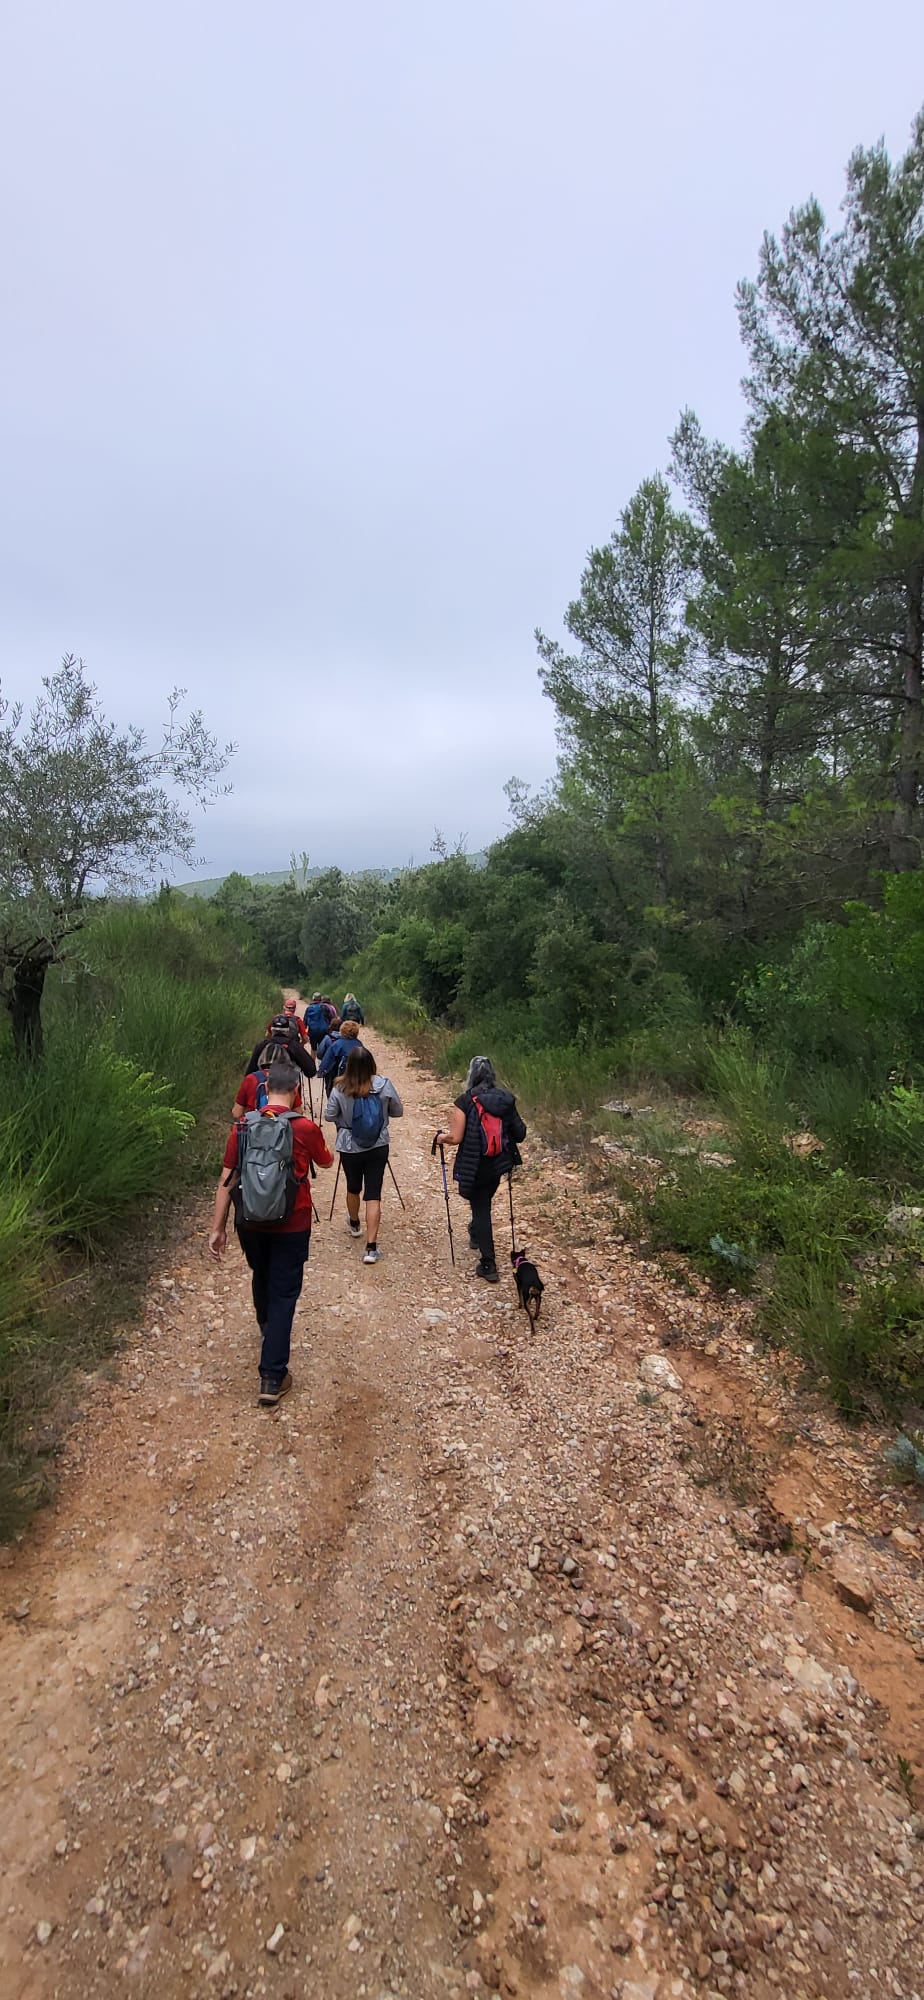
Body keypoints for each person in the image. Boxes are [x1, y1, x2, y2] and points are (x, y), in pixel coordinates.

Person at [209, 1060, 332, 1406]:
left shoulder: (242, 1128)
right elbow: (325, 1161)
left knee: (261, 1273)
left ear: (264, 1089)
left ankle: (266, 1326)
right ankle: (272, 1376)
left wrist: (217, 1228)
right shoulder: (304, 1127)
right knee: (284, 1293)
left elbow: (226, 1180)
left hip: (249, 1220)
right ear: (296, 1091)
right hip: (293, 1223)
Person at [434, 1056, 527, 1283]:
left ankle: (488, 1264)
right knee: (483, 1202)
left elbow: (456, 1137)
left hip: (474, 1164)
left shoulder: (465, 1100)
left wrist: (441, 1138)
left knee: (481, 1209)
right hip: (498, 1164)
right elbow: (520, 1134)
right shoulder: (505, 1099)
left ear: (471, 1075)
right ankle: (475, 1232)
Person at [325, 1045, 403, 1263]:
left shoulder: (340, 1087)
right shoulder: (383, 1085)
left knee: (353, 1187)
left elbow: (329, 1115)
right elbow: (398, 1111)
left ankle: (354, 1223)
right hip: (378, 1144)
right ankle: (371, 1247)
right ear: (371, 1064)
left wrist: (345, 1119)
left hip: (349, 1146)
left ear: (348, 1065)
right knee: (373, 1193)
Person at [246, 1015, 317, 1089]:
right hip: (289, 1090)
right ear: (287, 1031)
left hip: (264, 1088)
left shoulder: (261, 1046)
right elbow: (311, 1071)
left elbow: (250, 1072)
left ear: (272, 1030)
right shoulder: (294, 1046)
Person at [318, 1017, 364, 1090]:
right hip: (356, 1077)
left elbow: (327, 1060)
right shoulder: (359, 1044)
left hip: (338, 1078)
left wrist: (321, 1071)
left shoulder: (336, 1045)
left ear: (342, 1030)